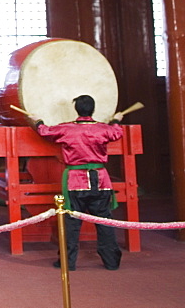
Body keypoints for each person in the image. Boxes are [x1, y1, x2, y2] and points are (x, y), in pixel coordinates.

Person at [34, 94, 123, 271]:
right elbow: (117, 132)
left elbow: (45, 132)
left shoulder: (67, 129)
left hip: (76, 181)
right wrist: (116, 120)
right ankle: (111, 261)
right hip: (101, 180)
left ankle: (68, 262)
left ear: (76, 110)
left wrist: (37, 122)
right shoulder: (102, 129)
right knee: (104, 220)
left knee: (72, 222)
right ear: (93, 109)